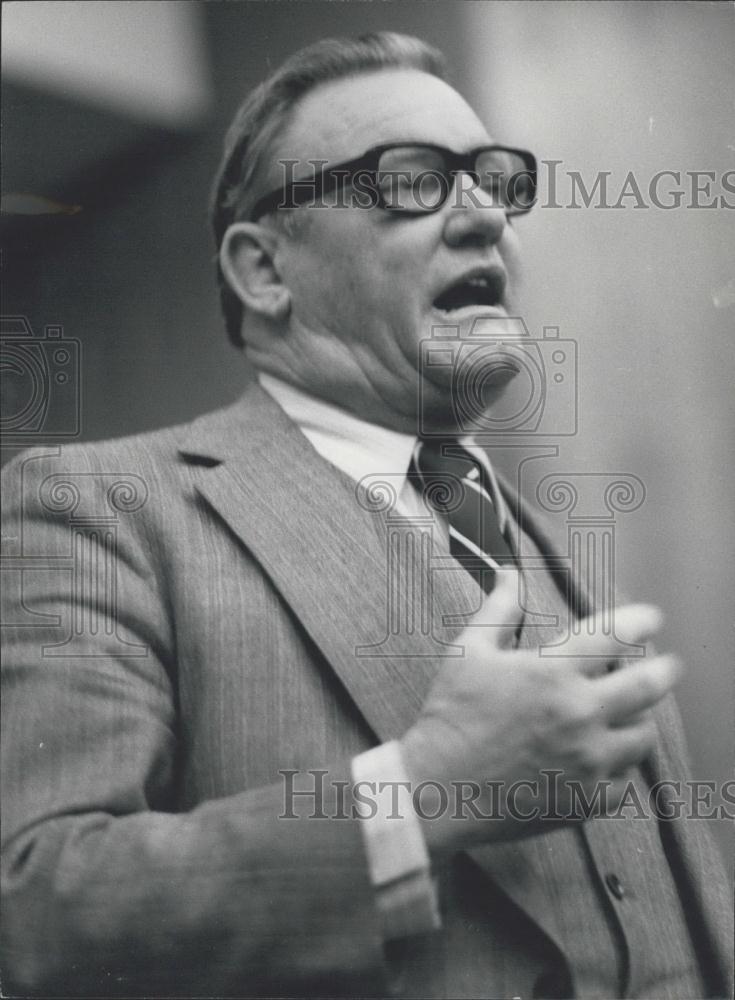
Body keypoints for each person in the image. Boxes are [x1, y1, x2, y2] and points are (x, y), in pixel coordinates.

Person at [1, 31, 731, 1000]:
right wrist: (427, 791)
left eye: (498, 180)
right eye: (413, 179)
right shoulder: (99, 510)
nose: (484, 217)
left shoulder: (549, 541)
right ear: (265, 271)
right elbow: (37, 912)